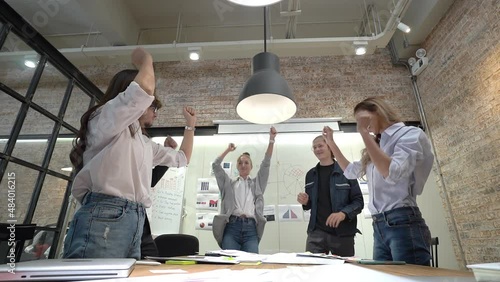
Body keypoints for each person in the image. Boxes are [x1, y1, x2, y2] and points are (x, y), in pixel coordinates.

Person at [64, 47, 196, 259]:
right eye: (153, 106)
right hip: (105, 214)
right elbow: (143, 90)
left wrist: (190, 127)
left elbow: (183, 159)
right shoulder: (105, 118)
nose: (154, 111)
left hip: (136, 218)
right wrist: (146, 58)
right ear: (125, 93)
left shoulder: (142, 142)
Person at [323, 96, 434, 265]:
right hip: (379, 224)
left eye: (363, 119)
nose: (361, 124)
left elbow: (391, 172)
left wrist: (364, 134)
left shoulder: (410, 134)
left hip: (402, 220)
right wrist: (331, 144)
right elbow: (351, 172)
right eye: (358, 122)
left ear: (377, 111)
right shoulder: (378, 144)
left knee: (411, 278)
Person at [212, 127, 277, 253]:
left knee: (252, 264)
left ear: (251, 166)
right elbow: (215, 165)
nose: (243, 165)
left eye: (246, 163)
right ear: (237, 166)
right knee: (229, 264)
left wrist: (271, 140)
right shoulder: (228, 184)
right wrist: (228, 150)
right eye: (240, 163)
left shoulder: (257, 183)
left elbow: (266, 164)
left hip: (251, 229)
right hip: (231, 227)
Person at [297, 135, 363, 256]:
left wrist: (343, 214)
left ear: (330, 147)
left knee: (344, 270)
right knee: (313, 270)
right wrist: (306, 202)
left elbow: (358, 202)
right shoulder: (310, 174)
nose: (317, 149)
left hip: (342, 233)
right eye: (314, 147)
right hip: (316, 233)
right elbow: (311, 204)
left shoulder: (346, 171)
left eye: (320, 146)